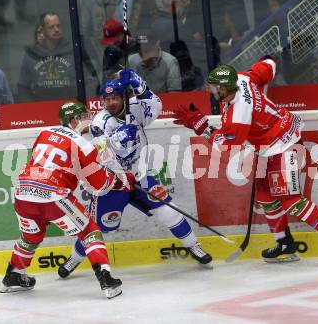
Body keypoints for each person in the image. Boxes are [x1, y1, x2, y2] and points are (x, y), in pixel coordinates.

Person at [173, 58, 318, 264]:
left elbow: (229, 145)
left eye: (214, 87)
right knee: (265, 195)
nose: (211, 91)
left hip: (284, 144)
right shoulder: (243, 78)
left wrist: (202, 127)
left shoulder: (238, 114)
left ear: (225, 88)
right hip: (268, 145)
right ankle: (285, 243)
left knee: (289, 198)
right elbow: (269, 65)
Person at [57, 68, 212, 279]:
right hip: (112, 183)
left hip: (140, 175)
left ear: (124, 97)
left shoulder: (136, 108)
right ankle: (75, 258)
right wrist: (115, 141)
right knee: (100, 229)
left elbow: (156, 106)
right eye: (106, 99)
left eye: (114, 98)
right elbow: (97, 154)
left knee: (169, 210)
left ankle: (194, 246)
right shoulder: (99, 122)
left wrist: (141, 85)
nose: (110, 102)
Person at [0, 101, 135, 299]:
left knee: (31, 236)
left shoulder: (44, 132)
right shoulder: (84, 145)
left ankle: (14, 275)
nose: (88, 119)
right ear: (74, 120)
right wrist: (120, 180)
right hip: (52, 194)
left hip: (23, 192)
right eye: (84, 116)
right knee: (90, 232)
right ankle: (106, 278)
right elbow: (98, 185)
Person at [17, 12, 79, 102]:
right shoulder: (32, 54)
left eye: (58, 26)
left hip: (70, 106)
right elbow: (23, 87)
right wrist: (32, 108)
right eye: (51, 27)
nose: (56, 29)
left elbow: (87, 81)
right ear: (43, 30)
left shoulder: (72, 50)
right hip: (41, 108)